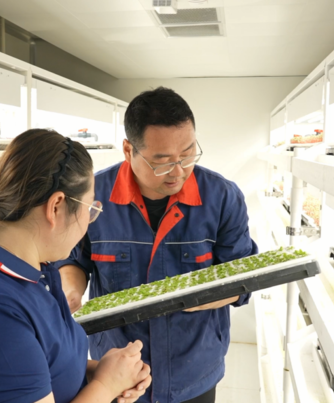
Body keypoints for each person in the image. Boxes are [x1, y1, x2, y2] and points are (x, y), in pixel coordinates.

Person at [57, 88, 258, 403]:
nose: (178, 172)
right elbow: (72, 259)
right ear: (129, 150)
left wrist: (204, 294)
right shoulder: (93, 196)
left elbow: (243, 279)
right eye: (162, 162)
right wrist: (71, 291)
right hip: (117, 368)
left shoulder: (222, 197)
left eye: (188, 155)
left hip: (194, 371)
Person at [0, 129, 152, 403]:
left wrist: (106, 372)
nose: (89, 220)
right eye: (89, 209)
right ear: (56, 206)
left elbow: (41, 366)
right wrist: (107, 385)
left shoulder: (37, 273)